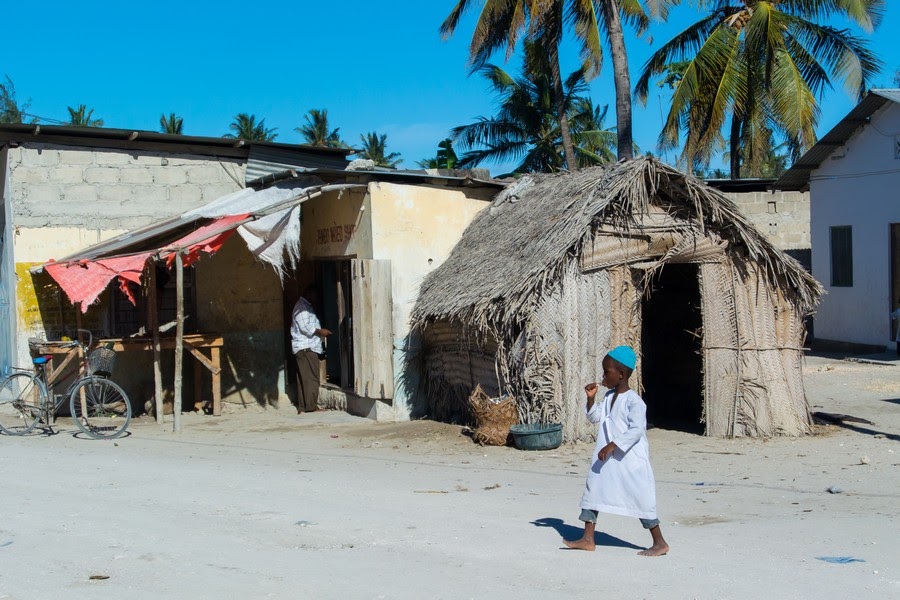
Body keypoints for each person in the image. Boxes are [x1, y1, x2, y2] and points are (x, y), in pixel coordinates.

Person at [563, 345, 669, 556]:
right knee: (593, 490)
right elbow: (595, 417)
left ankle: (659, 543)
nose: (603, 375)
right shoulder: (609, 397)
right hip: (606, 460)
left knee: (640, 499)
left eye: (607, 372)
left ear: (621, 374)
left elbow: (637, 429)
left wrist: (613, 445)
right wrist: (591, 398)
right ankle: (587, 538)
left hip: (629, 462)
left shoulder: (634, 401)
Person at [290, 288, 331, 414]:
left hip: (304, 347)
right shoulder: (301, 307)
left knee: (304, 378)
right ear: (309, 293)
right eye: (315, 294)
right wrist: (320, 331)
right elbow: (305, 328)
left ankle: (303, 407)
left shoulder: (306, 306)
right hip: (306, 347)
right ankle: (311, 406)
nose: (317, 298)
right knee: (312, 378)